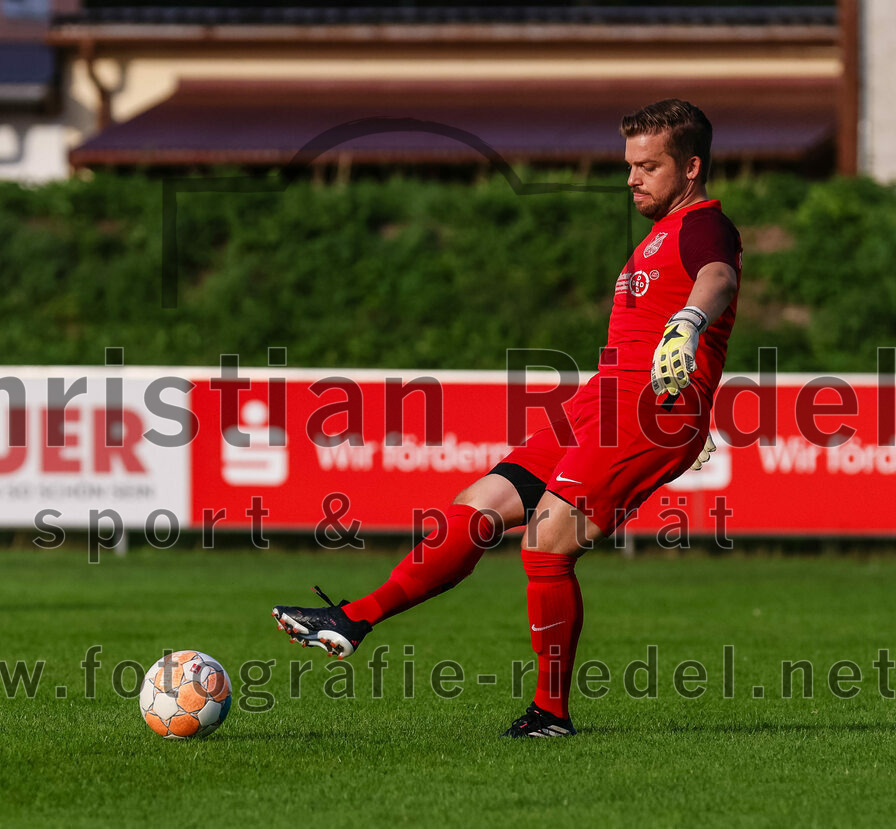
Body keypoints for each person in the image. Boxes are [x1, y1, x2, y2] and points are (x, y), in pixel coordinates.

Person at [272, 99, 741, 738]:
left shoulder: (704, 226)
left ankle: (550, 714)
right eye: (628, 164)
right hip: (600, 402)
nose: (631, 178)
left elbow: (715, 277)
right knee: (479, 503)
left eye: (647, 166)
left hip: (646, 411)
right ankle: (354, 619)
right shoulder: (657, 234)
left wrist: (689, 323)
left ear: (690, 168)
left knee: (546, 540)